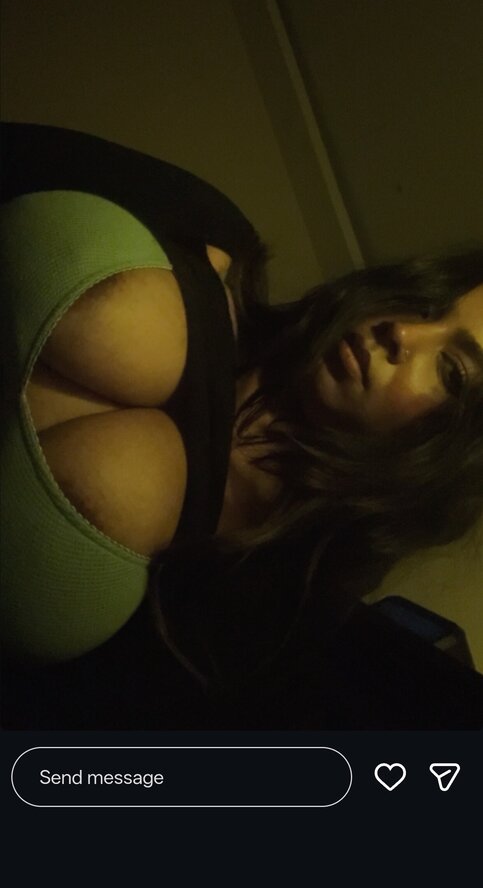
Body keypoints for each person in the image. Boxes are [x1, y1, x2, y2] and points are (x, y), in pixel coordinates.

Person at [1, 124, 483, 706]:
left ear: (445, 460)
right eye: (423, 303)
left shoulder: (256, 622)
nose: (401, 332)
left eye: (450, 370)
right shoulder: (211, 235)